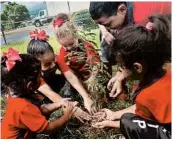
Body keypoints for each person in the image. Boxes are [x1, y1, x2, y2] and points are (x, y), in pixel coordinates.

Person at [91, 14, 171, 139]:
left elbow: (140, 122)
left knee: (127, 121)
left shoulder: (145, 96)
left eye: (121, 66)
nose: (120, 71)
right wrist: (113, 114)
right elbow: (143, 108)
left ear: (137, 68)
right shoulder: (167, 74)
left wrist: (109, 122)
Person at [89, 1, 171, 98]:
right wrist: (119, 76)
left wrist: (122, 76)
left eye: (108, 24)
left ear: (122, 9)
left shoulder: (141, 23)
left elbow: (136, 56)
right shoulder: (118, 13)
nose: (108, 28)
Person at [1, 48, 76, 139]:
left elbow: (38, 110)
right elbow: (48, 128)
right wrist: (66, 116)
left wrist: (58, 104)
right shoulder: (22, 107)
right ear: (30, 85)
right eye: (39, 77)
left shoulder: (15, 94)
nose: (41, 79)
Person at [27, 29, 91, 123]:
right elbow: (49, 92)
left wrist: (86, 97)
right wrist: (72, 108)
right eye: (47, 64)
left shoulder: (57, 59)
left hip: (51, 81)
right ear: (35, 64)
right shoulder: (33, 72)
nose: (53, 65)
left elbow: (71, 77)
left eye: (53, 60)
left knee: (64, 79)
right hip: (37, 92)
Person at [53, 13, 111, 112]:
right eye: (64, 46)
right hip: (78, 80)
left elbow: (96, 65)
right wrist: (86, 96)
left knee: (98, 93)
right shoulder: (62, 55)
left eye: (71, 44)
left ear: (76, 34)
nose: (69, 48)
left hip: (93, 76)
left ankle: (102, 105)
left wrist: (91, 80)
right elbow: (71, 76)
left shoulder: (86, 46)